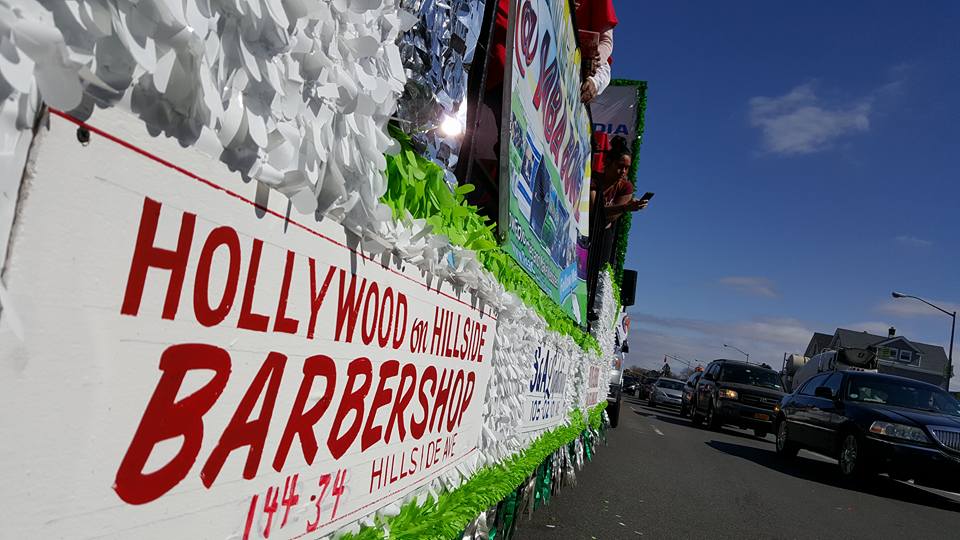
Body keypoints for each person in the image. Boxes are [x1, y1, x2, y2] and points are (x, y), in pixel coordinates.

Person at [591, 135, 647, 228]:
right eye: (620, 166)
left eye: (627, 168)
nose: (623, 171)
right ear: (608, 161)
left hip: (602, 234)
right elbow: (593, 211)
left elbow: (611, 217)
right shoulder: (594, 179)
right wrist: (625, 207)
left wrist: (622, 208)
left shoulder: (626, 187)